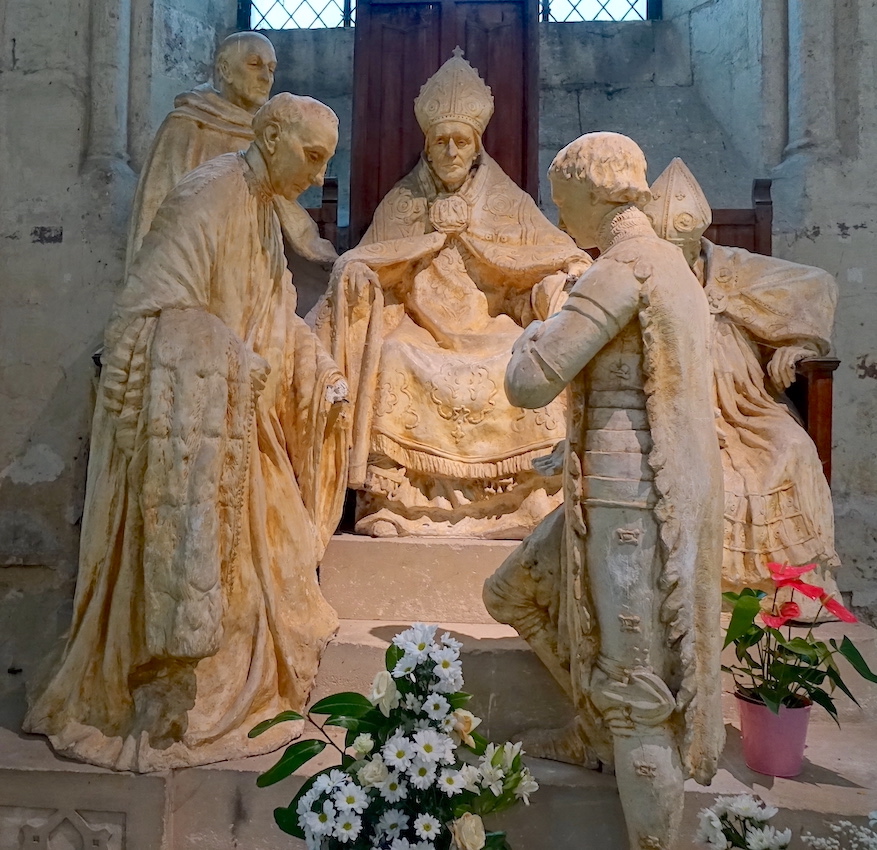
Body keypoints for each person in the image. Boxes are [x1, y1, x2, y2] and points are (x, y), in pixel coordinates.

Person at [24, 94, 349, 772]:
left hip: (235, 418)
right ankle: (173, 698)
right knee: (234, 567)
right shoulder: (209, 196)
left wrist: (315, 370)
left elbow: (273, 313)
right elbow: (149, 314)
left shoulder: (259, 208)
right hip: (190, 428)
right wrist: (230, 362)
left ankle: (241, 691)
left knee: (285, 567)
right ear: (271, 135)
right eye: (312, 156)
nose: (319, 178)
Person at [485, 133, 724, 850]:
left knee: (637, 695)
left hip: (630, 506)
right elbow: (638, 386)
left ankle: (647, 827)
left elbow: (528, 380)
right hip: (608, 486)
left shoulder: (624, 269)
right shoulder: (670, 266)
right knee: (512, 593)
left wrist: (529, 329)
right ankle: (590, 728)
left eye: (563, 204)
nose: (562, 221)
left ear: (593, 194)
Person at [312, 49, 591, 538]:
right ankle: (399, 507)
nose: (450, 150)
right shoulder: (403, 201)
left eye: (461, 140)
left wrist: (565, 275)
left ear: (478, 145)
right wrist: (361, 274)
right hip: (422, 333)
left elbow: (559, 254)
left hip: (492, 329)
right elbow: (368, 261)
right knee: (393, 356)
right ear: (427, 144)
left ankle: (523, 503)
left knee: (527, 358)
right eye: (440, 140)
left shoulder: (508, 202)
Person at [643, 158, 841, 612]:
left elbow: (815, 284)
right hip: (669, 407)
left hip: (747, 405)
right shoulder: (635, 271)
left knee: (791, 449)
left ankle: (790, 587)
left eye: (684, 247)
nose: (675, 259)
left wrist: (798, 342)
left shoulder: (732, 268)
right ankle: (698, 593)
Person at [127, 31, 336, 271]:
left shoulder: (273, 131)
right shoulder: (186, 126)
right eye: (255, 64)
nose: (266, 77)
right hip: (203, 259)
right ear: (225, 70)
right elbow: (158, 209)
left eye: (271, 68)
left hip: (264, 255)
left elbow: (285, 211)